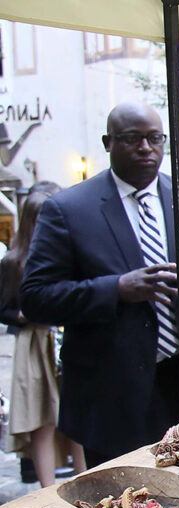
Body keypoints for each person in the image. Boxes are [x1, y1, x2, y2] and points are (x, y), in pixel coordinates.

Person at [22, 102, 179, 467]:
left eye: (154, 138)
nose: (146, 148)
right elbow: (35, 298)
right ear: (108, 142)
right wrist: (114, 289)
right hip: (112, 396)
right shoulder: (68, 209)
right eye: (132, 139)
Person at [0, 186, 87, 487]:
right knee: (42, 417)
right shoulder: (13, 261)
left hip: (64, 336)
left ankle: (86, 478)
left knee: (76, 415)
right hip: (35, 344)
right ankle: (47, 488)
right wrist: (22, 316)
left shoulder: (69, 254)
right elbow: (3, 309)